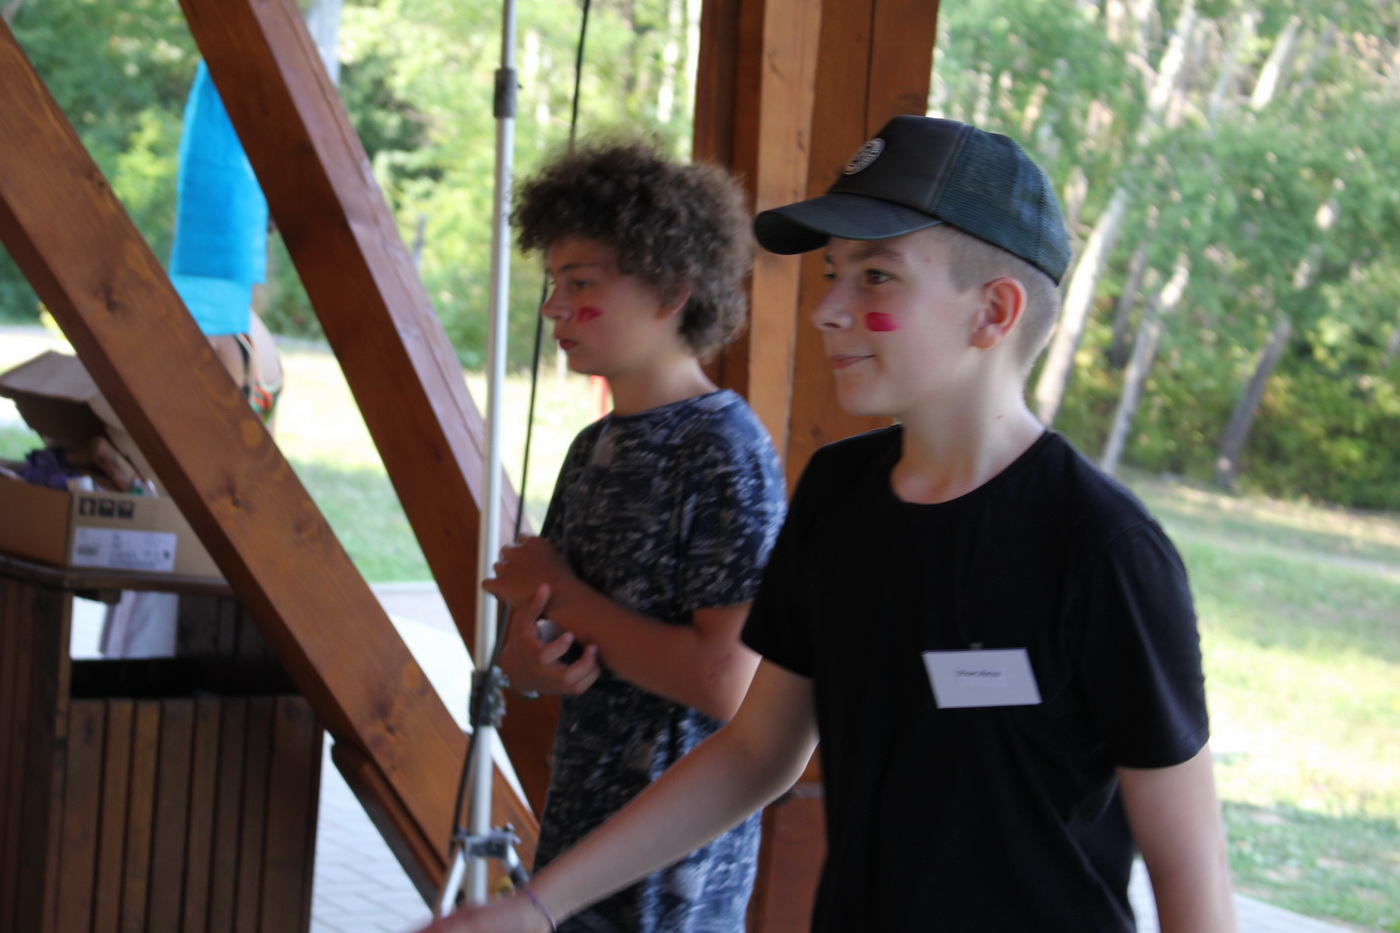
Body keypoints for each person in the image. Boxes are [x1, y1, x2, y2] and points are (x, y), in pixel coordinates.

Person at [420, 116, 1237, 933]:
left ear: (993, 311)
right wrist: (537, 905)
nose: (827, 310)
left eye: (876, 277)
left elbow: (1189, 870)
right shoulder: (841, 493)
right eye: (833, 273)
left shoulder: (1103, 548)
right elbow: (755, 754)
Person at [474, 139, 787, 932]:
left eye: (580, 283)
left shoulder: (725, 449)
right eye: (553, 283)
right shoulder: (593, 447)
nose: (553, 308)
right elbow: (540, 644)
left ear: (672, 290)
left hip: (674, 881)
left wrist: (566, 599)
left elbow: (729, 683)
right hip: (583, 845)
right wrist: (529, 661)